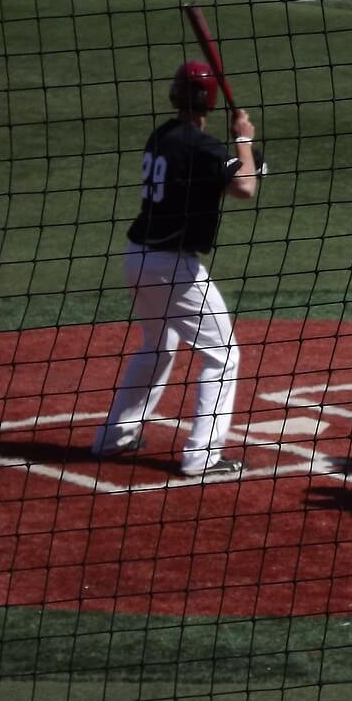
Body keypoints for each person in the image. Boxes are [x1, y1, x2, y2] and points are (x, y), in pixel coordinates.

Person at [91, 61, 260, 478]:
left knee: (159, 344)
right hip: (171, 266)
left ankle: (114, 436)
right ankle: (203, 456)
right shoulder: (203, 147)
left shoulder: (162, 135)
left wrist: (240, 154)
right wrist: (243, 138)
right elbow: (245, 186)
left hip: (138, 258)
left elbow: (225, 173)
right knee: (223, 355)